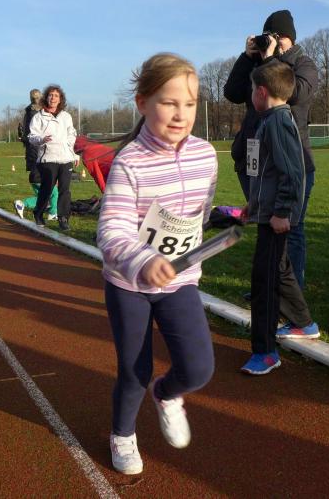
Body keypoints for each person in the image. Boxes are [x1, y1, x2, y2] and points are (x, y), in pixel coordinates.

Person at [97, 53, 218, 475]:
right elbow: (110, 231)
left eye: (190, 104)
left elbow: (200, 214)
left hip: (179, 281)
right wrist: (144, 259)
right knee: (134, 370)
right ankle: (122, 434)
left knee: (199, 368)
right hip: (129, 284)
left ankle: (166, 393)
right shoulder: (129, 162)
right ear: (142, 103)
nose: (181, 114)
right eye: (169, 103)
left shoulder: (207, 156)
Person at [224, 9, 318, 289]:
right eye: (268, 36)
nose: (273, 41)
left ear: (290, 38)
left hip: (291, 161)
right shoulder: (256, 64)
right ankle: (269, 289)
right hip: (254, 160)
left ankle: (291, 292)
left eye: (278, 36)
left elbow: (294, 94)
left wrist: (271, 60)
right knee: (266, 225)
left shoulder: (304, 64)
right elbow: (232, 92)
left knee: (291, 228)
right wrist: (247, 57)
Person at [240, 61, 320, 376]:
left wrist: (281, 212)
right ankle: (303, 322)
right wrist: (254, 205)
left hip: (276, 218)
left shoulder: (278, 121)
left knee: (264, 283)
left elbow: (292, 172)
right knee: (280, 269)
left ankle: (265, 352)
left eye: (251, 89)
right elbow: (266, 173)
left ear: (261, 91)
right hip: (268, 213)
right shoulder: (270, 120)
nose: (250, 94)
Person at [27, 85, 77, 230]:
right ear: (46, 98)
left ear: (60, 99)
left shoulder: (66, 116)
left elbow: (72, 134)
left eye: (56, 96)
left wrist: (72, 153)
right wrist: (41, 139)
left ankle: (63, 218)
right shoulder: (38, 117)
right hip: (48, 158)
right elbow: (31, 137)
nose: (53, 98)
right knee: (47, 188)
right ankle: (38, 213)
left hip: (65, 159)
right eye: (50, 95)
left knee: (65, 189)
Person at [14, 89, 58, 221]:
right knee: (52, 192)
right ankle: (50, 212)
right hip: (38, 155)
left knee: (45, 194)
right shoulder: (38, 114)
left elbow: (27, 137)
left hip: (32, 155)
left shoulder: (28, 113)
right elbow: (38, 135)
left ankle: (50, 211)